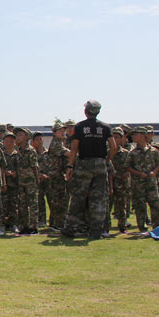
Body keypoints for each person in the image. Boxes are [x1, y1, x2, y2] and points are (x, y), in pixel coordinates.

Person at [62, 100, 116, 240]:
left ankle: (70, 228)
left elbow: (74, 148)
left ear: (86, 111)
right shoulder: (105, 127)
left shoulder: (80, 127)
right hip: (100, 164)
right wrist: (105, 161)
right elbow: (114, 147)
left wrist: (70, 166)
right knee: (98, 199)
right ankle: (96, 231)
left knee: (78, 197)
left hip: (84, 163)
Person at [126, 126, 159, 234]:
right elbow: (128, 166)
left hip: (151, 183)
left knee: (155, 205)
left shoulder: (153, 151)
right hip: (138, 184)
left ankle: (157, 227)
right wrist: (139, 174)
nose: (133, 137)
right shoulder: (132, 152)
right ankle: (142, 228)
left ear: (143, 135)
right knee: (139, 206)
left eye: (135, 134)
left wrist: (154, 172)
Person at [15, 127, 40, 235]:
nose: (17, 137)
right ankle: (24, 226)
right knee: (22, 204)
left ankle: (33, 226)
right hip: (21, 181)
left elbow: (34, 167)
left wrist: (37, 180)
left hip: (30, 181)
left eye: (20, 135)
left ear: (27, 138)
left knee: (33, 204)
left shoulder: (31, 150)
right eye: (17, 135)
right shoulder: (18, 151)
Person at [110, 127, 131, 234]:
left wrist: (127, 173)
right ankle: (105, 226)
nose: (115, 139)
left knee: (122, 205)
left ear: (122, 138)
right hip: (109, 182)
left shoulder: (126, 153)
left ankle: (122, 226)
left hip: (122, 183)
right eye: (113, 137)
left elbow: (130, 167)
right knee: (107, 205)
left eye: (117, 137)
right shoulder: (107, 152)